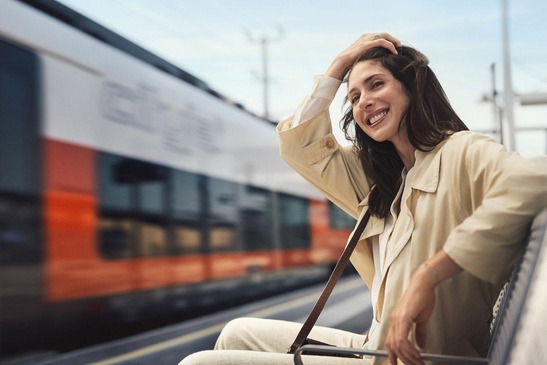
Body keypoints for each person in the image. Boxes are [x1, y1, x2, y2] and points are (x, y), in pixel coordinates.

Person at [179, 33, 547, 365]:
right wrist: (339, 67)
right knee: (236, 333)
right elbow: (303, 148)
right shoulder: (382, 180)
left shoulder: (460, 151)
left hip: (413, 357)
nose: (365, 102)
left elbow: (536, 179)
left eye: (376, 84)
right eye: (354, 97)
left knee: (200, 364)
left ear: (411, 88)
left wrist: (430, 274)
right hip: (376, 341)